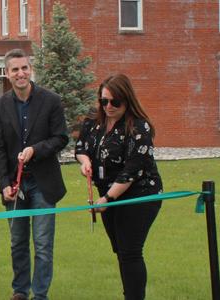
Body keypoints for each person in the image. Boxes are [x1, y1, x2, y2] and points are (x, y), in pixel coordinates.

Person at [0, 49, 68, 300]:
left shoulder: (51, 100)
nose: (20, 73)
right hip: (15, 185)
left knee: (43, 245)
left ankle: (40, 295)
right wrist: (3, 184)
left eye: (24, 68)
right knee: (17, 242)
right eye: (15, 69)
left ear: (30, 69)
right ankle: (20, 291)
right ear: (7, 74)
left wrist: (36, 149)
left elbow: (60, 138)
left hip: (44, 184)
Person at [75, 73, 162, 300]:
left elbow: (132, 170)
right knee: (120, 251)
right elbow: (81, 147)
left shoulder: (139, 127)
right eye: (104, 101)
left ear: (127, 100)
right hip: (108, 196)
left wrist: (108, 200)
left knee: (131, 252)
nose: (109, 107)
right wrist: (85, 163)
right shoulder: (95, 121)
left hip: (140, 195)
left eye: (115, 102)